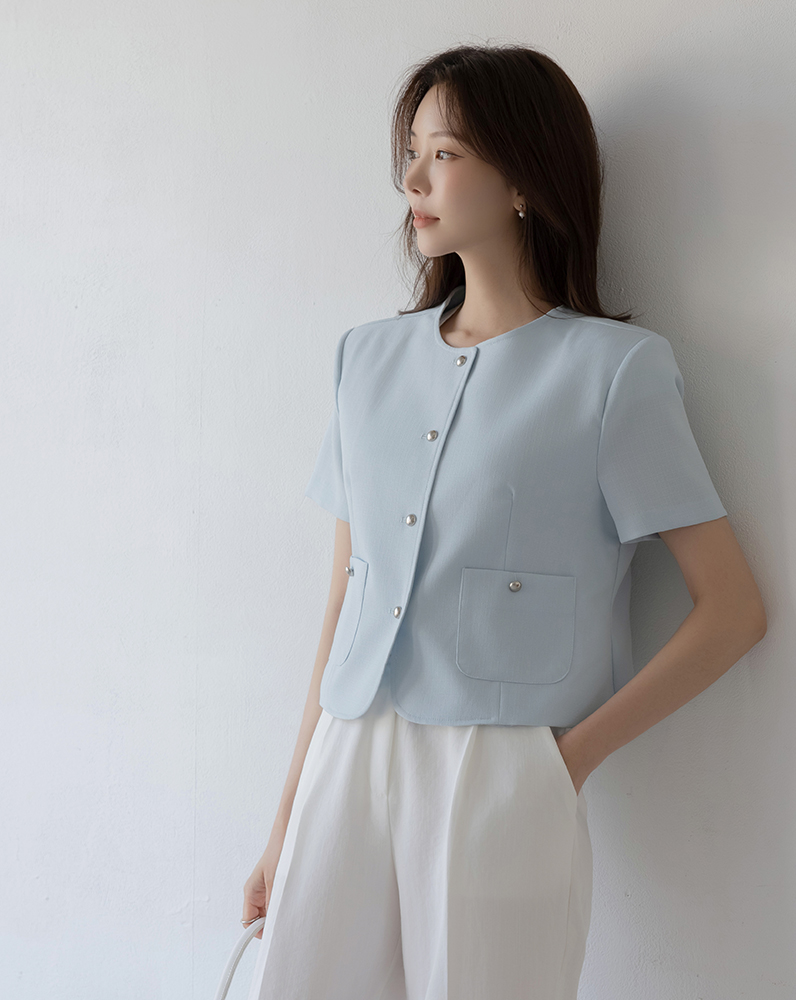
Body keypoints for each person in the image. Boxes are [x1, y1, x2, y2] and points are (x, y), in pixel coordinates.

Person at [241, 43, 767, 1000]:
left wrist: (560, 765)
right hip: (348, 751)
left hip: (498, 768)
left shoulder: (614, 372)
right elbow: (346, 599)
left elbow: (732, 611)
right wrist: (287, 818)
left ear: (524, 178)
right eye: (411, 152)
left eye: (442, 153)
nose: (412, 179)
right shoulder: (365, 360)